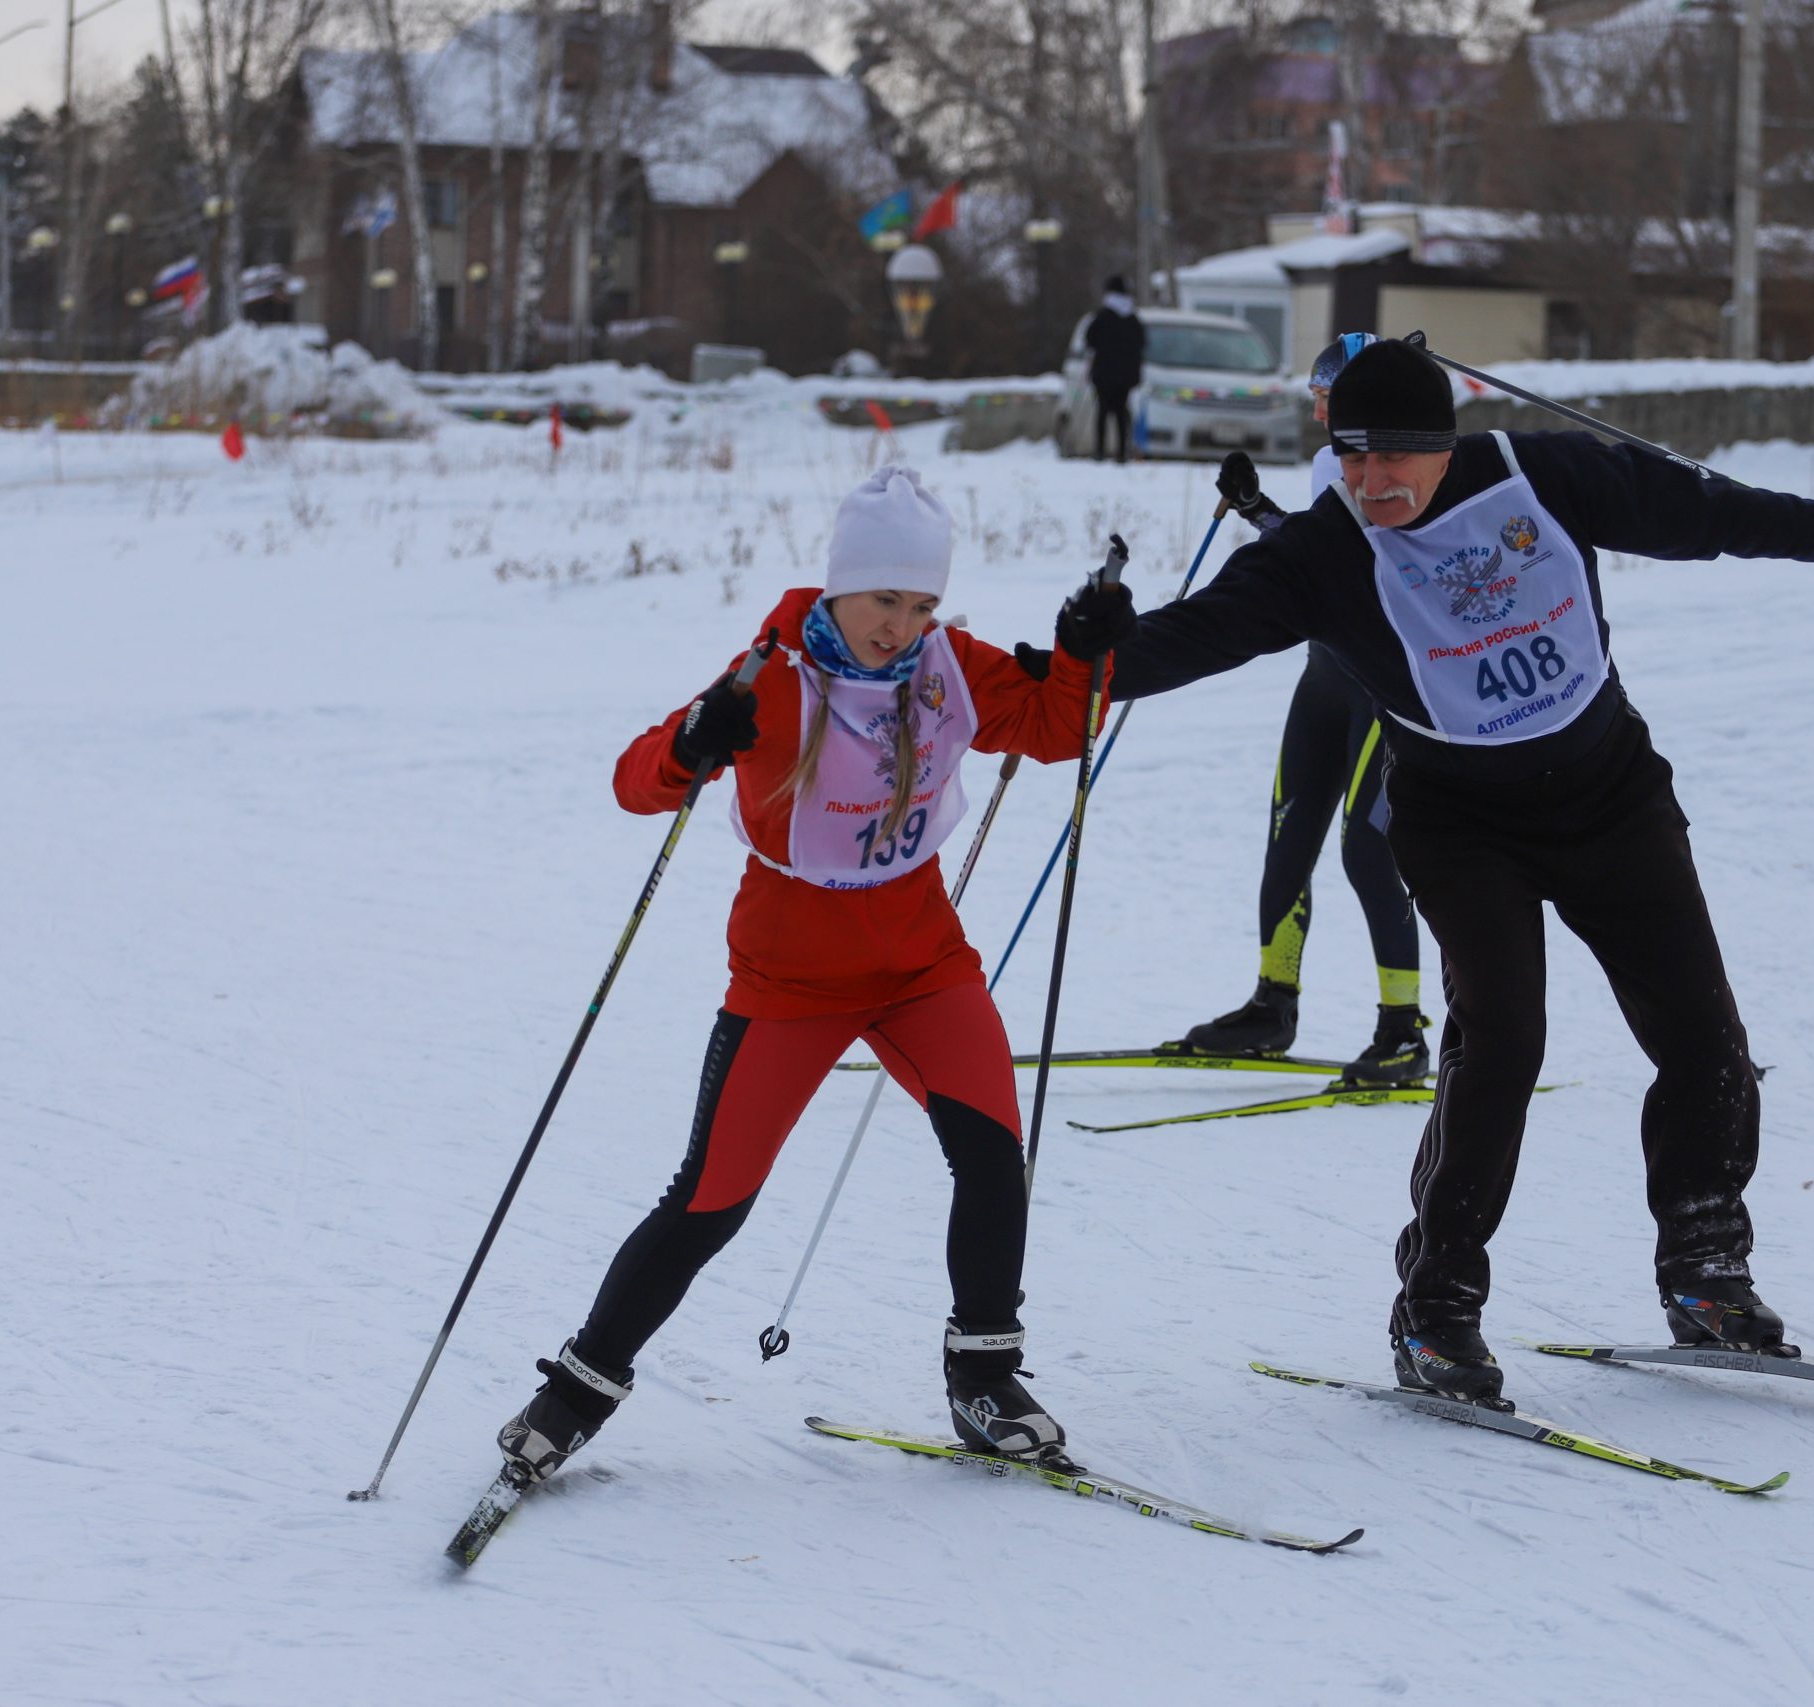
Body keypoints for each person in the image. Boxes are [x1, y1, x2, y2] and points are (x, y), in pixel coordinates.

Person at [1089, 339, 1814, 1407]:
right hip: (1461, 825)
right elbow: (1201, 633)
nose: (1371, 481)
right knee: (1503, 1043)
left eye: (1394, 457)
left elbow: (1711, 512)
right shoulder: (1326, 549)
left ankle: (1705, 1268)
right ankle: (1436, 1309)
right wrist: (1095, 656)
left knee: (1705, 1038)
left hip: (1611, 797)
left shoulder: (1541, 477)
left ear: (1444, 444)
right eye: (1352, 457)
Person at [490, 467, 1132, 1487]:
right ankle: (575, 1392)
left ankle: (984, 1379)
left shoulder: (947, 665)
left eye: (920, 604)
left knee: (992, 1157)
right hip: (789, 979)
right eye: (884, 599)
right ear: (839, 585)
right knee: (711, 1199)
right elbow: (635, 782)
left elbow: (1057, 731)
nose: (900, 626)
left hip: (922, 964)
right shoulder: (773, 674)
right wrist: (692, 744)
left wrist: (1084, 657)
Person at [1183, 331, 1430, 1083]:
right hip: (1325, 677)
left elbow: (1368, 557)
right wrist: (1256, 509)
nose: (1320, 413)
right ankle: (1273, 1005)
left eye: (1329, 398)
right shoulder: (1333, 462)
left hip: (1383, 687)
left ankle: (1404, 1030)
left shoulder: (1396, 468)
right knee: (1289, 838)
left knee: (1367, 850)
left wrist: (1263, 516)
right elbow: (1317, 551)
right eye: (1318, 399)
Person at [1085, 276, 1145, 465]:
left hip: (1104, 372)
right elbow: (1142, 342)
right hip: (1125, 375)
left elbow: (1089, 339)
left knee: (1103, 410)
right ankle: (1121, 451)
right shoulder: (1132, 318)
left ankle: (1100, 450)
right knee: (1121, 411)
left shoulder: (1102, 316)